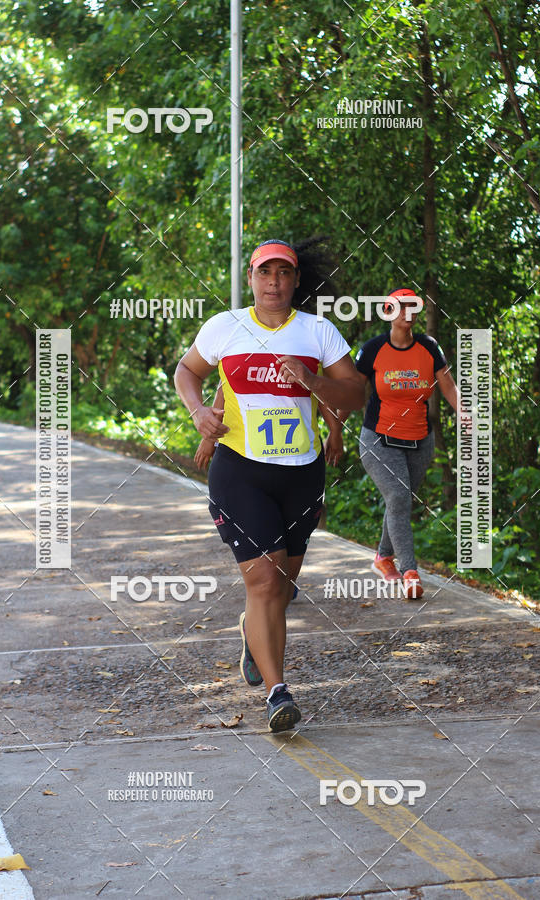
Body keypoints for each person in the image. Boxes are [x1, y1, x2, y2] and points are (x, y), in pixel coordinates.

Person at [174, 238, 365, 731]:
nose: (274, 282)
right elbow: (187, 371)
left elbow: (358, 392)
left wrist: (313, 381)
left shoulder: (317, 332)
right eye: (265, 273)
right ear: (252, 278)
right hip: (241, 469)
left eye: (283, 273)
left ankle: (250, 632)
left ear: (296, 280)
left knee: (280, 588)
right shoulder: (225, 327)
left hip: (301, 473)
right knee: (263, 579)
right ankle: (279, 695)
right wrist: (199, 414)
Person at [325, 287, 467, 600]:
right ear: (389, 312)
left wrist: (466, 413)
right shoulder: (374, 349)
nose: (409, 312)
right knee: (399, 496)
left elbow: (448, 387)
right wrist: (335, 429)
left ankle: (382, 557)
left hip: (420, 440)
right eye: (401, 307)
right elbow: (353, 393)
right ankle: (410, 572)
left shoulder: (429, 347)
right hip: (378, 439)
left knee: (400, 501)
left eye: (414, 307)